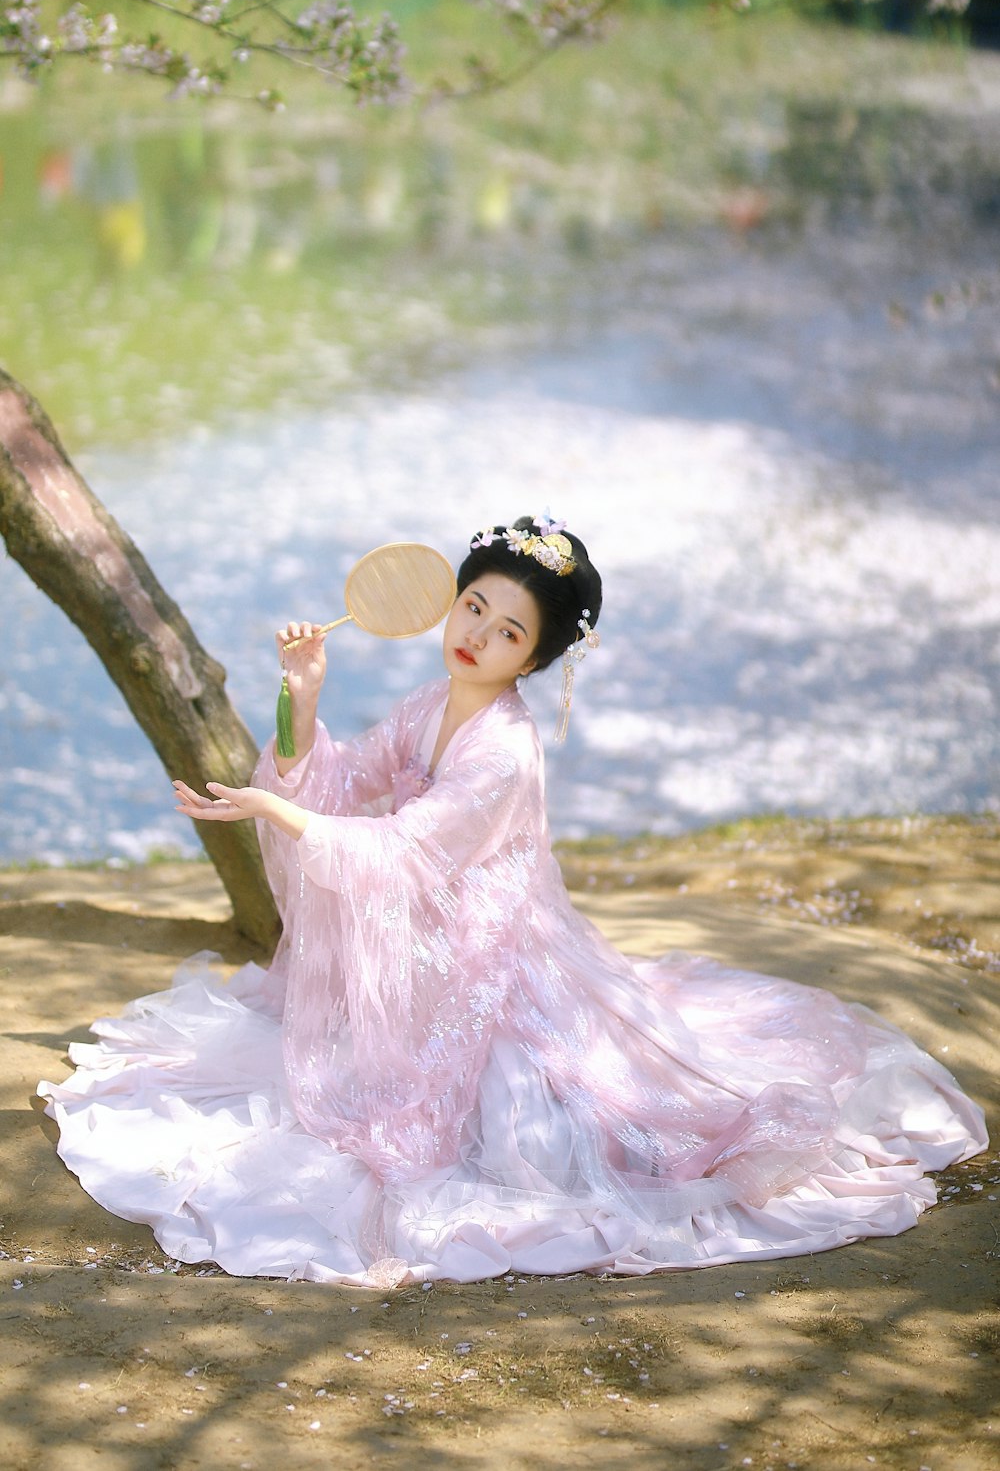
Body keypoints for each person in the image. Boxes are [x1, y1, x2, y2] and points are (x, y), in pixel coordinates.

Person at [39, 516, 987, 1288]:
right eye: (474, 607)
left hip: (485, 945)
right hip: (431, 924)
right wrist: (301, 696)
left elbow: (406, 848)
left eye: (507, 633)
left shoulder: (504, 747)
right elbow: (346, 775)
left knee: (547, 1116)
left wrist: (273, 810)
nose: (477, 637)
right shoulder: (428, 698)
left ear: (532, 661)